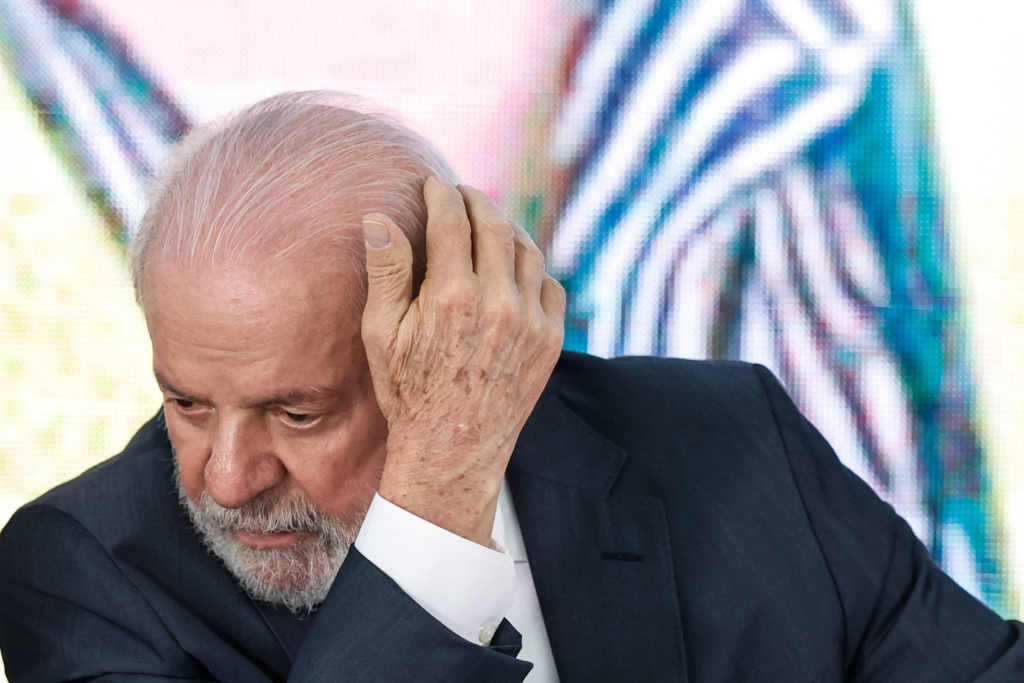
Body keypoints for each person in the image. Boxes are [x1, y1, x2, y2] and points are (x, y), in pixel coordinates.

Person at [0, 91, 1021, 683]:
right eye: (187, 401)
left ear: (458, 320)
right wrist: (433, 502)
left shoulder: (729, 438)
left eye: (296, 411)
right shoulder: (83, 570)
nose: (226, 478)